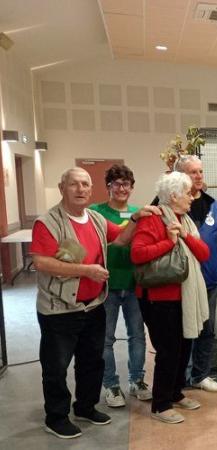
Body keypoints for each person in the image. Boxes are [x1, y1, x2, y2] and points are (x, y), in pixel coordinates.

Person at [31, 167, 158, 439]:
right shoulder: (48, 222)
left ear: (91, 189)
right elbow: (41, 262)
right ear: (62, 187)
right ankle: (56, 417)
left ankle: (85, 407)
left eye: (85, 184)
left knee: (92, 361)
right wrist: (87, 270)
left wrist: (136, 217)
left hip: (93, 304)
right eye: (74, 184)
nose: (80, 189)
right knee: (56, 366)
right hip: (59, 309)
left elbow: (122, 238)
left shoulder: (97, 219)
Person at [131, 171, 210, 424]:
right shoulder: (153, 220)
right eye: (187, 193)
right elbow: (138, 254)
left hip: (184, 298)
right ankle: (160, 404)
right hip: (158, 298)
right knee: (168, 350)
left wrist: (183, 235)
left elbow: (204, 253)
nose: (191, 197)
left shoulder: (184, 220)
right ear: (174, 196)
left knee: (184, 345)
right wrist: (170, 242)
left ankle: (176, 393)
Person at [89, 164, 151, 408]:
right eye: (117, 183)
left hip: (134, 284)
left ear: (132, 187)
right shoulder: (96, 212)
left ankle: (137, 381)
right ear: (108, 187)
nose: (122, 188)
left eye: (126, 184)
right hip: (107, 284)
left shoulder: (140, 212)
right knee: (106, 338)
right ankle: (111, 385)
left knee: (137, 335)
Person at [173, 156, 217, 393]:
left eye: (201, 171)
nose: (199, 176)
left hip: (210, 279)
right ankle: (177, 377)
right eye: (193, 172)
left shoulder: (214, 205)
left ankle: (201, 375)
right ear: (180, 176)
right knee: (181, 329)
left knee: (207, 328)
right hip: (180, 280)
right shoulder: (170, 204)